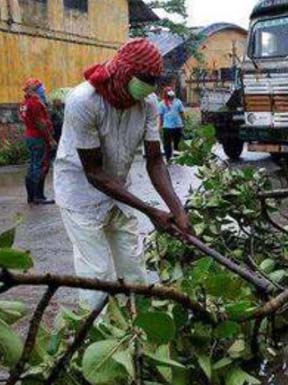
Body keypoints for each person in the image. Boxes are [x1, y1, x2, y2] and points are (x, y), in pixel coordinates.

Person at [53, 38, 192, 308]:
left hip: (119, 192)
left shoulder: (148, 103)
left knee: (134, 268)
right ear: (124, 71)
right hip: (80, 195)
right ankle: (98, 333)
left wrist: (177, 209)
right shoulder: (84, 101)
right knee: (98, 274)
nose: (151, 85)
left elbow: (154, 160)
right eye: (146, 78)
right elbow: (93, 172)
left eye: (155, 79)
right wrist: (151, 212)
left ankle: (141, 330)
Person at [20, 78, 56, 205]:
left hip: (30, 136)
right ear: (35, 89)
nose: (43, 90)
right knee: (41, 166)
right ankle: (38, 196)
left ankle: (31, 196)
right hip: (39, 137)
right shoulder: (35, 103)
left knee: (33, 165)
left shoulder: (25, 102)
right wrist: (50, 139)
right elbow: (40, 123)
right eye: (41, 87)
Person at [158, 86, 186, 162]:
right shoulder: (178, 102)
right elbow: (182, 114)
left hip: (167, 127)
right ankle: (177, 158)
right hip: (177, 126)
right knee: (177, 144)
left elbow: (161, 117)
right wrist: (184, 124)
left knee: (167, 144)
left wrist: (160, 127)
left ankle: (168, 159)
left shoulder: (161, 103)